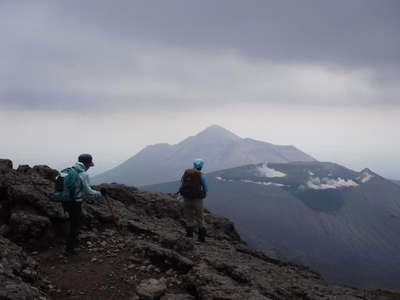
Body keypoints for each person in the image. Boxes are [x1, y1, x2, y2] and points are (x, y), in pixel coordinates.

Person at [62, 154, 105, 255]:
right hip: (75, 202)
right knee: (75, 224)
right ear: (86, 164)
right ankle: (70, 249)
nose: (89, 167)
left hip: (65, 200)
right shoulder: (83, 174)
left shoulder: (69, 170)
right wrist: (100, 194)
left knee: (72, 223)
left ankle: (70, 246)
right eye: (89, 165)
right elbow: (88, 191)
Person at [179, 158, 208, 242]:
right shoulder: (201, 175)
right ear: (201, 166)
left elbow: (183, 184)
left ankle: (189, 235)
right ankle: (201, 238)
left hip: (186, 198)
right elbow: (205, 187)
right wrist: (204, 194)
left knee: (189, 217)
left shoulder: (187, 173)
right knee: (200, 218)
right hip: (197, 199)